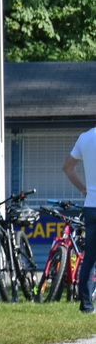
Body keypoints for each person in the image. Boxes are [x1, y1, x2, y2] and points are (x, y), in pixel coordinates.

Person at [62, 126, 96, 314]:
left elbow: (67, 167)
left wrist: (84, 189)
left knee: (89, 259)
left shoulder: (85, 137)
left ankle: (86, 306)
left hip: (91, 205)